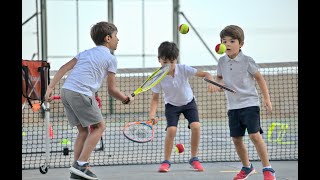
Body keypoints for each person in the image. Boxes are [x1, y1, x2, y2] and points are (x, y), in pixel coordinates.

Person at [44, 21, 134, 180]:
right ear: (108, 38)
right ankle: (82, 164)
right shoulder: (111, 59)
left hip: (66, 92)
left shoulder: (85, 53)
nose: (117, 39)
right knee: (100, 126)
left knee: (83, 131)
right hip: (81, 93)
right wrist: (125, 99)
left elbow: (64, 67)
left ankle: (75, 171)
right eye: (116, 36)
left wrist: (50, 88)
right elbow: (112, 90)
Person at [212, 25, 276, 180]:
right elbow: (219, 78)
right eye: (224, 41)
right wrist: (215, 84)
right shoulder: (221, 61)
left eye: (231, 41)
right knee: (236, 139)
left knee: (254, 135)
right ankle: (247, 167)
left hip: (250, 103)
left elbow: (259, 78)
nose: (227, 44)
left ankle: (268, 169)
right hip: (233, 106)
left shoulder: (248, 61)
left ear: (241, 44)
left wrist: (266, 99)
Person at [148, 41, 215, 172]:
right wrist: (152, 116)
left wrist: (210, 80)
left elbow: (205, 74)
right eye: (165, 62)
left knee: (196, 126)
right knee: (171, 130)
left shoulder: (183, 69)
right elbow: (155, 99)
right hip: (172, 106)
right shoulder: (157, 77)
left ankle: (194, 158)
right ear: (159, 60)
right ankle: (166, 161)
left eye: (172, 62)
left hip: (189, 103)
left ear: (176, 60)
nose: (169, 65)